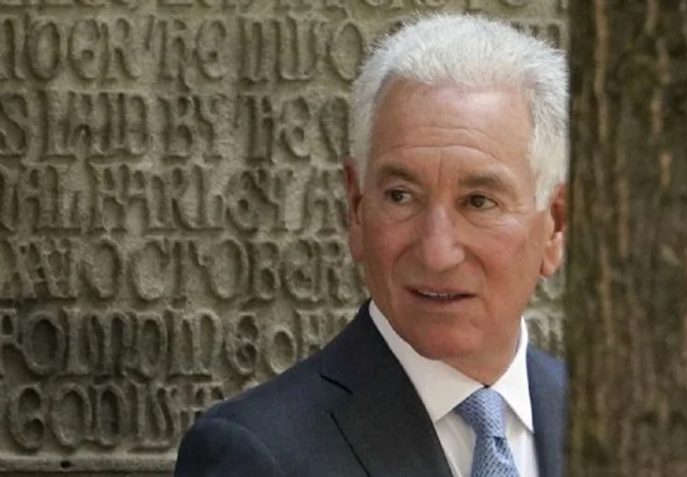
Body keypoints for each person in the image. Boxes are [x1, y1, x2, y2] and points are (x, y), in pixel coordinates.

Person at [174, 13, 568, 477]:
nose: (437, 253)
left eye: (478, 202)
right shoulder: (254, 455)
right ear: (356, 207)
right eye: (401, 196)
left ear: (555, 226)